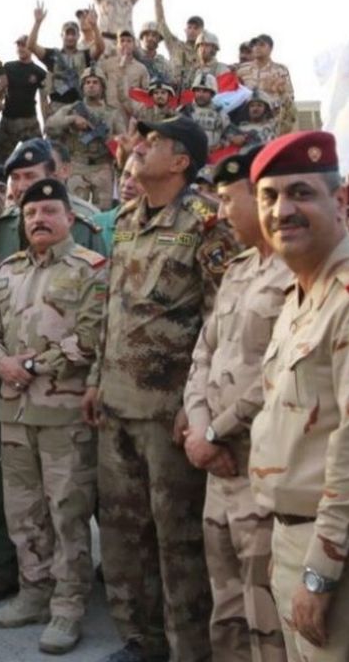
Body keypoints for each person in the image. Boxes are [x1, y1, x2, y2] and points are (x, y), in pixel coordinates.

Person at [247, 131, 349, 662]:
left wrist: (320, 572)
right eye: (269, 197)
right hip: (294, 537)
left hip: (341, 556)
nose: (282, 210)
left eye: (301, 193)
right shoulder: (302, 291)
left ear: (339, 201)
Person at [83, 116, 238, 662]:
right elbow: (113, 306)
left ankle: (188, 649)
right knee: (125, 535)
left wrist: (196, 405)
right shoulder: (126, 218)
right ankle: (140, 641)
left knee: (177, 542)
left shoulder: (207, 224)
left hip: (169, 411)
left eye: (154, 143)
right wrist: (98, 378)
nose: (139, 147)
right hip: (118, 403)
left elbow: (221, 320)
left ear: (180, 162)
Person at [0, 178, 106, 655]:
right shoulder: (9, 271)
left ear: (70, 219)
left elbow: (91, 336)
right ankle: (33, 592)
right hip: (15, 412)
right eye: (31, 214)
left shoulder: (90, 269)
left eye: (50, 211)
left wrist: (30, 366)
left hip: (64, 414)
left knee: (67, 513)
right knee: (23, 511)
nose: (39, 220)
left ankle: (69, 606)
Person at [181, 149, 291, 662]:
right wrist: (200, 429)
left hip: (257, 464)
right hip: (216, 465)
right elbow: (206, 351)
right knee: (224, 604)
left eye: (229, 199)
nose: (222, 212)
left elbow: (279, 370)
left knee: (265, 610)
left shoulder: (296, 274)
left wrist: (215, 431)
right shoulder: (241, 268)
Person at [45, 69, 127, 210]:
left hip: (103, 167)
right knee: (75, 209)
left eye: (95, 82)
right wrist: (72, 119)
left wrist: (108, 138)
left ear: (102, 87)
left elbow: (124, 141)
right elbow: (50, 126)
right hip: (77, 165)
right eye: (87, 82)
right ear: (82, 87)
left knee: (103, 212)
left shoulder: (113, 113)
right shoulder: (72, 109)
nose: (91, 85)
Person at [28, 5, 100, 115]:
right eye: (67, 34)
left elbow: (100, 48)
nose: (70, 37)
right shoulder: (52, 55)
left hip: (79, 106)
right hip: (57, 107)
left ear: (78, 36)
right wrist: (37, 23)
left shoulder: (84, 55)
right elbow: (31, 46)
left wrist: (94, 26)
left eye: (73, 34)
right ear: (62, 35)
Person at [0, 37, 49, 162]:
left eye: (23, 45)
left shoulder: (39, 72)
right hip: (8, 119)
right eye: (18, 45)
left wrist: (46, 123)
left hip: (30, 121)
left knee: (40, 157)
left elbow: (43, 99)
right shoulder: (8, 67)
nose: (20, 48)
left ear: (31, 47)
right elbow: (1, 89)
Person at [237, 35, 296, 135]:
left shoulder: (280, 70)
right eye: (254, 45)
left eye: (262, 45)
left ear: (271, 48)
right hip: (248, 119)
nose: (257, 48)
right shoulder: (242, 69)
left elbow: (289, 96)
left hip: (272, 119)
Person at [153, 0, 204, 88]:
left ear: (202, 32)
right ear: (185, 30)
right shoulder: (175, 45)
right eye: (189, 27)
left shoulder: (204, 54)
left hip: (193, 95)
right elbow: (161, 22)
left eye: (196, 28)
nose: (192, 31)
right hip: (172, 91)